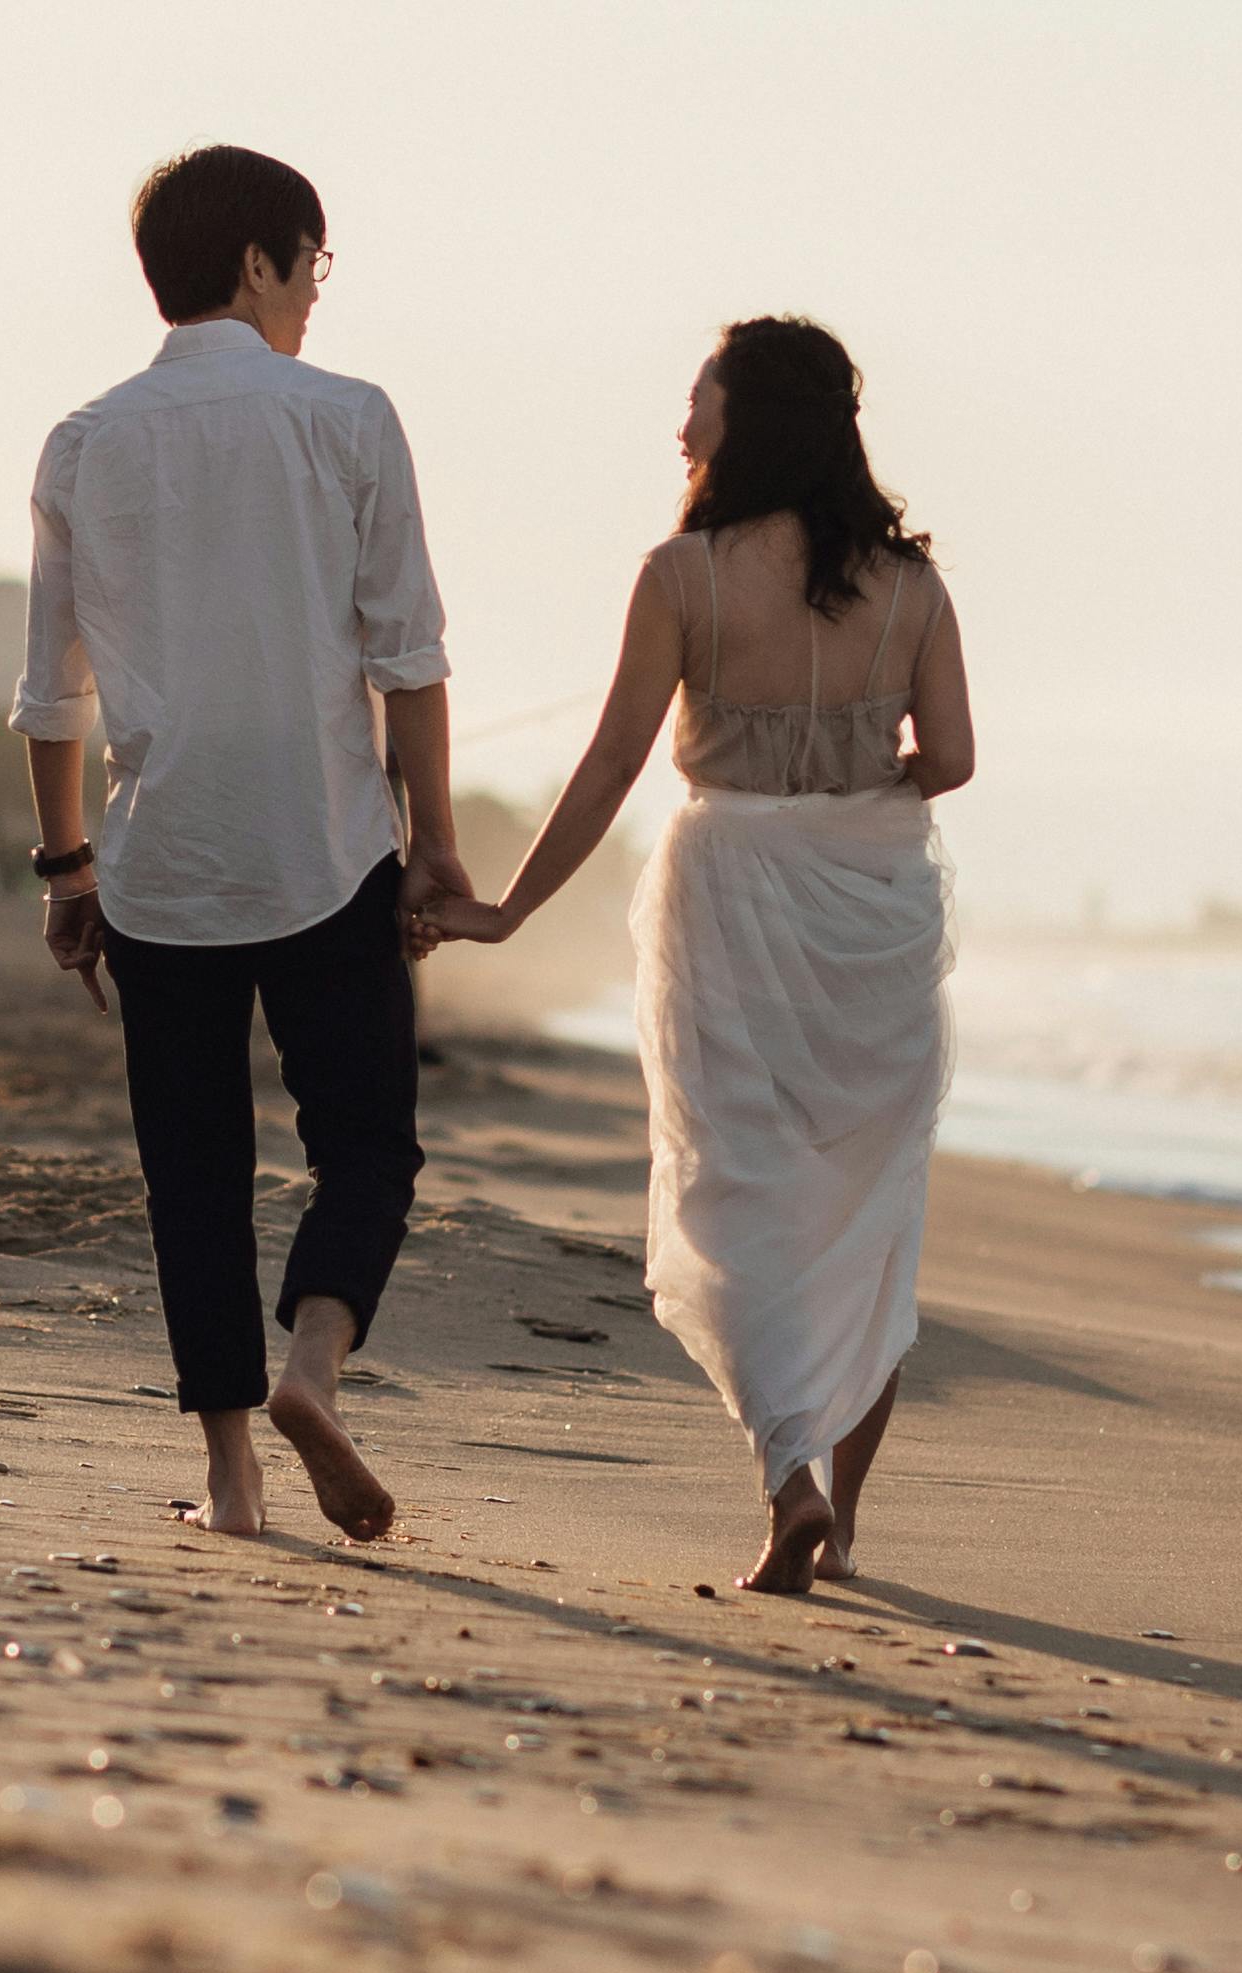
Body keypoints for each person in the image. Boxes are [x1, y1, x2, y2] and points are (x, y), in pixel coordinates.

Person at [429, 315, 974, 1593]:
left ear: (748, 421)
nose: (682, 427)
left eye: (699, 401)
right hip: (872, 893)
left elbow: (615, 762)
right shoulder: (912, 584)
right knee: (864, 1213)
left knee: (738, 1195)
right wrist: (856, 788)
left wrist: (507, 908)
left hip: (727, 885)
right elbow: (949, 760)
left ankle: (787, 1486)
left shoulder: (682, 577)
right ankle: (840, 1519)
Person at [13, 144, 471, 1541]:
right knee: (370, 1147)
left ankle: (230, 1475)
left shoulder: (86, 441)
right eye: (312, 264)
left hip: (161, 865)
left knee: (192, 1169)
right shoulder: (347, 418)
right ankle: (314, 1366)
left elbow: (52, 692)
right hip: (326, 848)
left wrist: (66, 868)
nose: (315, 295)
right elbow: (410, 658)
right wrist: (432, 844)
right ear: (261, 261)